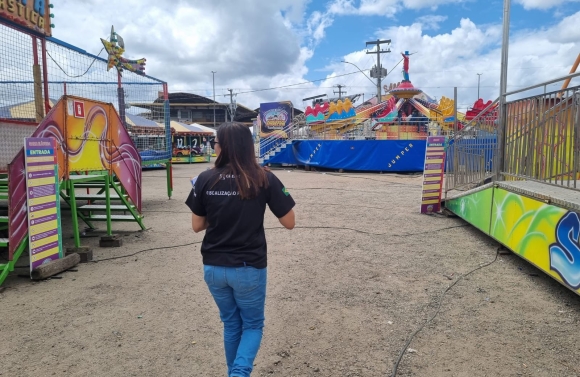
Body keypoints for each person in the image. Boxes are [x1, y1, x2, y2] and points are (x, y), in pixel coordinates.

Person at [185, 122, 296, 377]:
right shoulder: (263, 177)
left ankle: (232, 372)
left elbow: (196, 225)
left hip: (214, 267)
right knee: (253, 325)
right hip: (248, 267)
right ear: (248, 146)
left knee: (232, 325)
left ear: (222, 146)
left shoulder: (204, 178)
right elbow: (289, 222)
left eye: (215, 143)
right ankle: (239, 373)